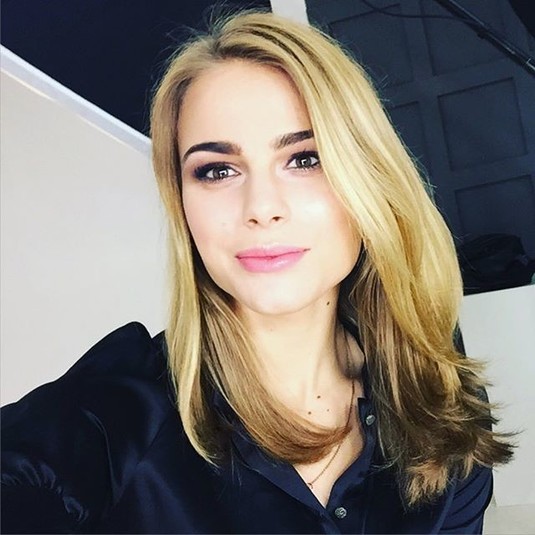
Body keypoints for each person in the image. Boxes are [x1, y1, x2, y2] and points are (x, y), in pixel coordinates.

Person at [1, 9, 515, 534]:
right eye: (217, 170)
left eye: (305, 159)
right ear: (182, 204)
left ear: (370, 176)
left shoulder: (438, 403)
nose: (262, 207)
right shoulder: (116, 414)